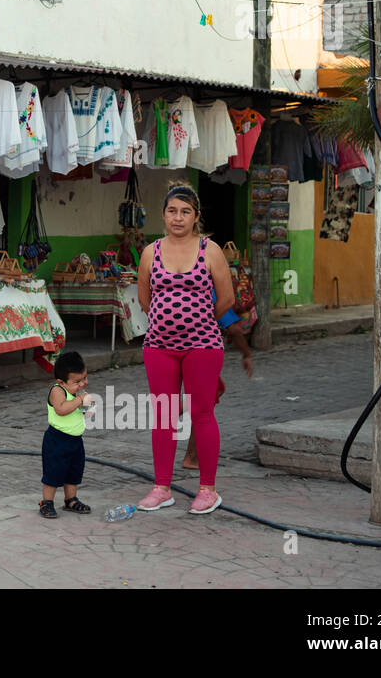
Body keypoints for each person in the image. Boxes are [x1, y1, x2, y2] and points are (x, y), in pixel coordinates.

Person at [134, 183, 236, 515]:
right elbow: (144, 299)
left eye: (185, 211)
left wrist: (201, 321)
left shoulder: (211, 250)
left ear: (196, 217)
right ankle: (161, 487)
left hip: (203, 346)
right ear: (164, 214)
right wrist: (168, 321)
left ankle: (208, 490)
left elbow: (227, 299)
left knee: (201, 414)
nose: (178, 218)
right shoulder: (151, 252)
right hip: (159, 347)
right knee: (164, 414)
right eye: (172, 211)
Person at [182, 292, 254, 470]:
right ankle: (192, 457)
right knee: (204, 407)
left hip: (183, 350)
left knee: (214, 393)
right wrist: (246, 354)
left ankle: (191, 453)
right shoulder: (211, 292)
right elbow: (234, 329)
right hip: (200, 352)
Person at [39, 351, 93, 518]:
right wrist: (78, 400)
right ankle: (46, 502)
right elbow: (61, 409)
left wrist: (88, 406)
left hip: (76, 440)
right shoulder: (58, 391)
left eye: (84, 378)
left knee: (74, 471)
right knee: (54, 471)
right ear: (61, 382)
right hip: (57, 439)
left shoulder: (77, 392)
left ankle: (70, 499)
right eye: (77, 381)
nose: (83, 383)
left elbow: (84, 414)